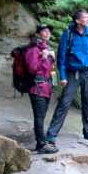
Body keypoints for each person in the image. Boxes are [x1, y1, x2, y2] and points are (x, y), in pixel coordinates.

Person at [47, 8, 88, 144]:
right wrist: (63, 76)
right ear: (78, 21)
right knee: (64, 103)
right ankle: (51, 134)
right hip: (73, 74)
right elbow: (61, 57)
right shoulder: (68, 34)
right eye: (85, 17)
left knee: (87, 103)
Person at [22, 24, 58, 153]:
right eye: (44, 31)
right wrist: (43, 57)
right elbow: (32, 69)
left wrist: (54, 83)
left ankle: (41, 144)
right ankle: (41, 144)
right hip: (37, 88)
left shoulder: (47, 49)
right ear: (38, 34)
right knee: (39, 117)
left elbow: (51, 70)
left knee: (41, 116)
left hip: (46, 87)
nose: (47, 33)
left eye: (49, 31)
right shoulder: (33, 50)